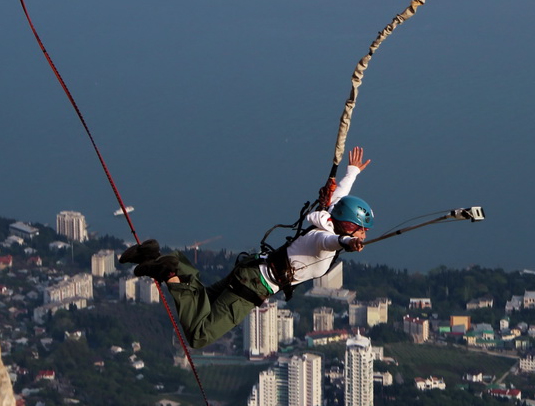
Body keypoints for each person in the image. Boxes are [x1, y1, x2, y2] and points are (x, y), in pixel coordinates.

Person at [119, 146, 374, 349]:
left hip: (251, 268)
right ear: (350, 226)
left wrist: (352, 172)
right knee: (199, 335)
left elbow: (340, 198)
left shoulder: (328, 216)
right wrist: (349, 243)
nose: (364, 233)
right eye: (362, 228)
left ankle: (156, 255)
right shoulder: (324, 240)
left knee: (203, 301)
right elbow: (333, 242)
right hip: (254, 285)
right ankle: (169, 270)